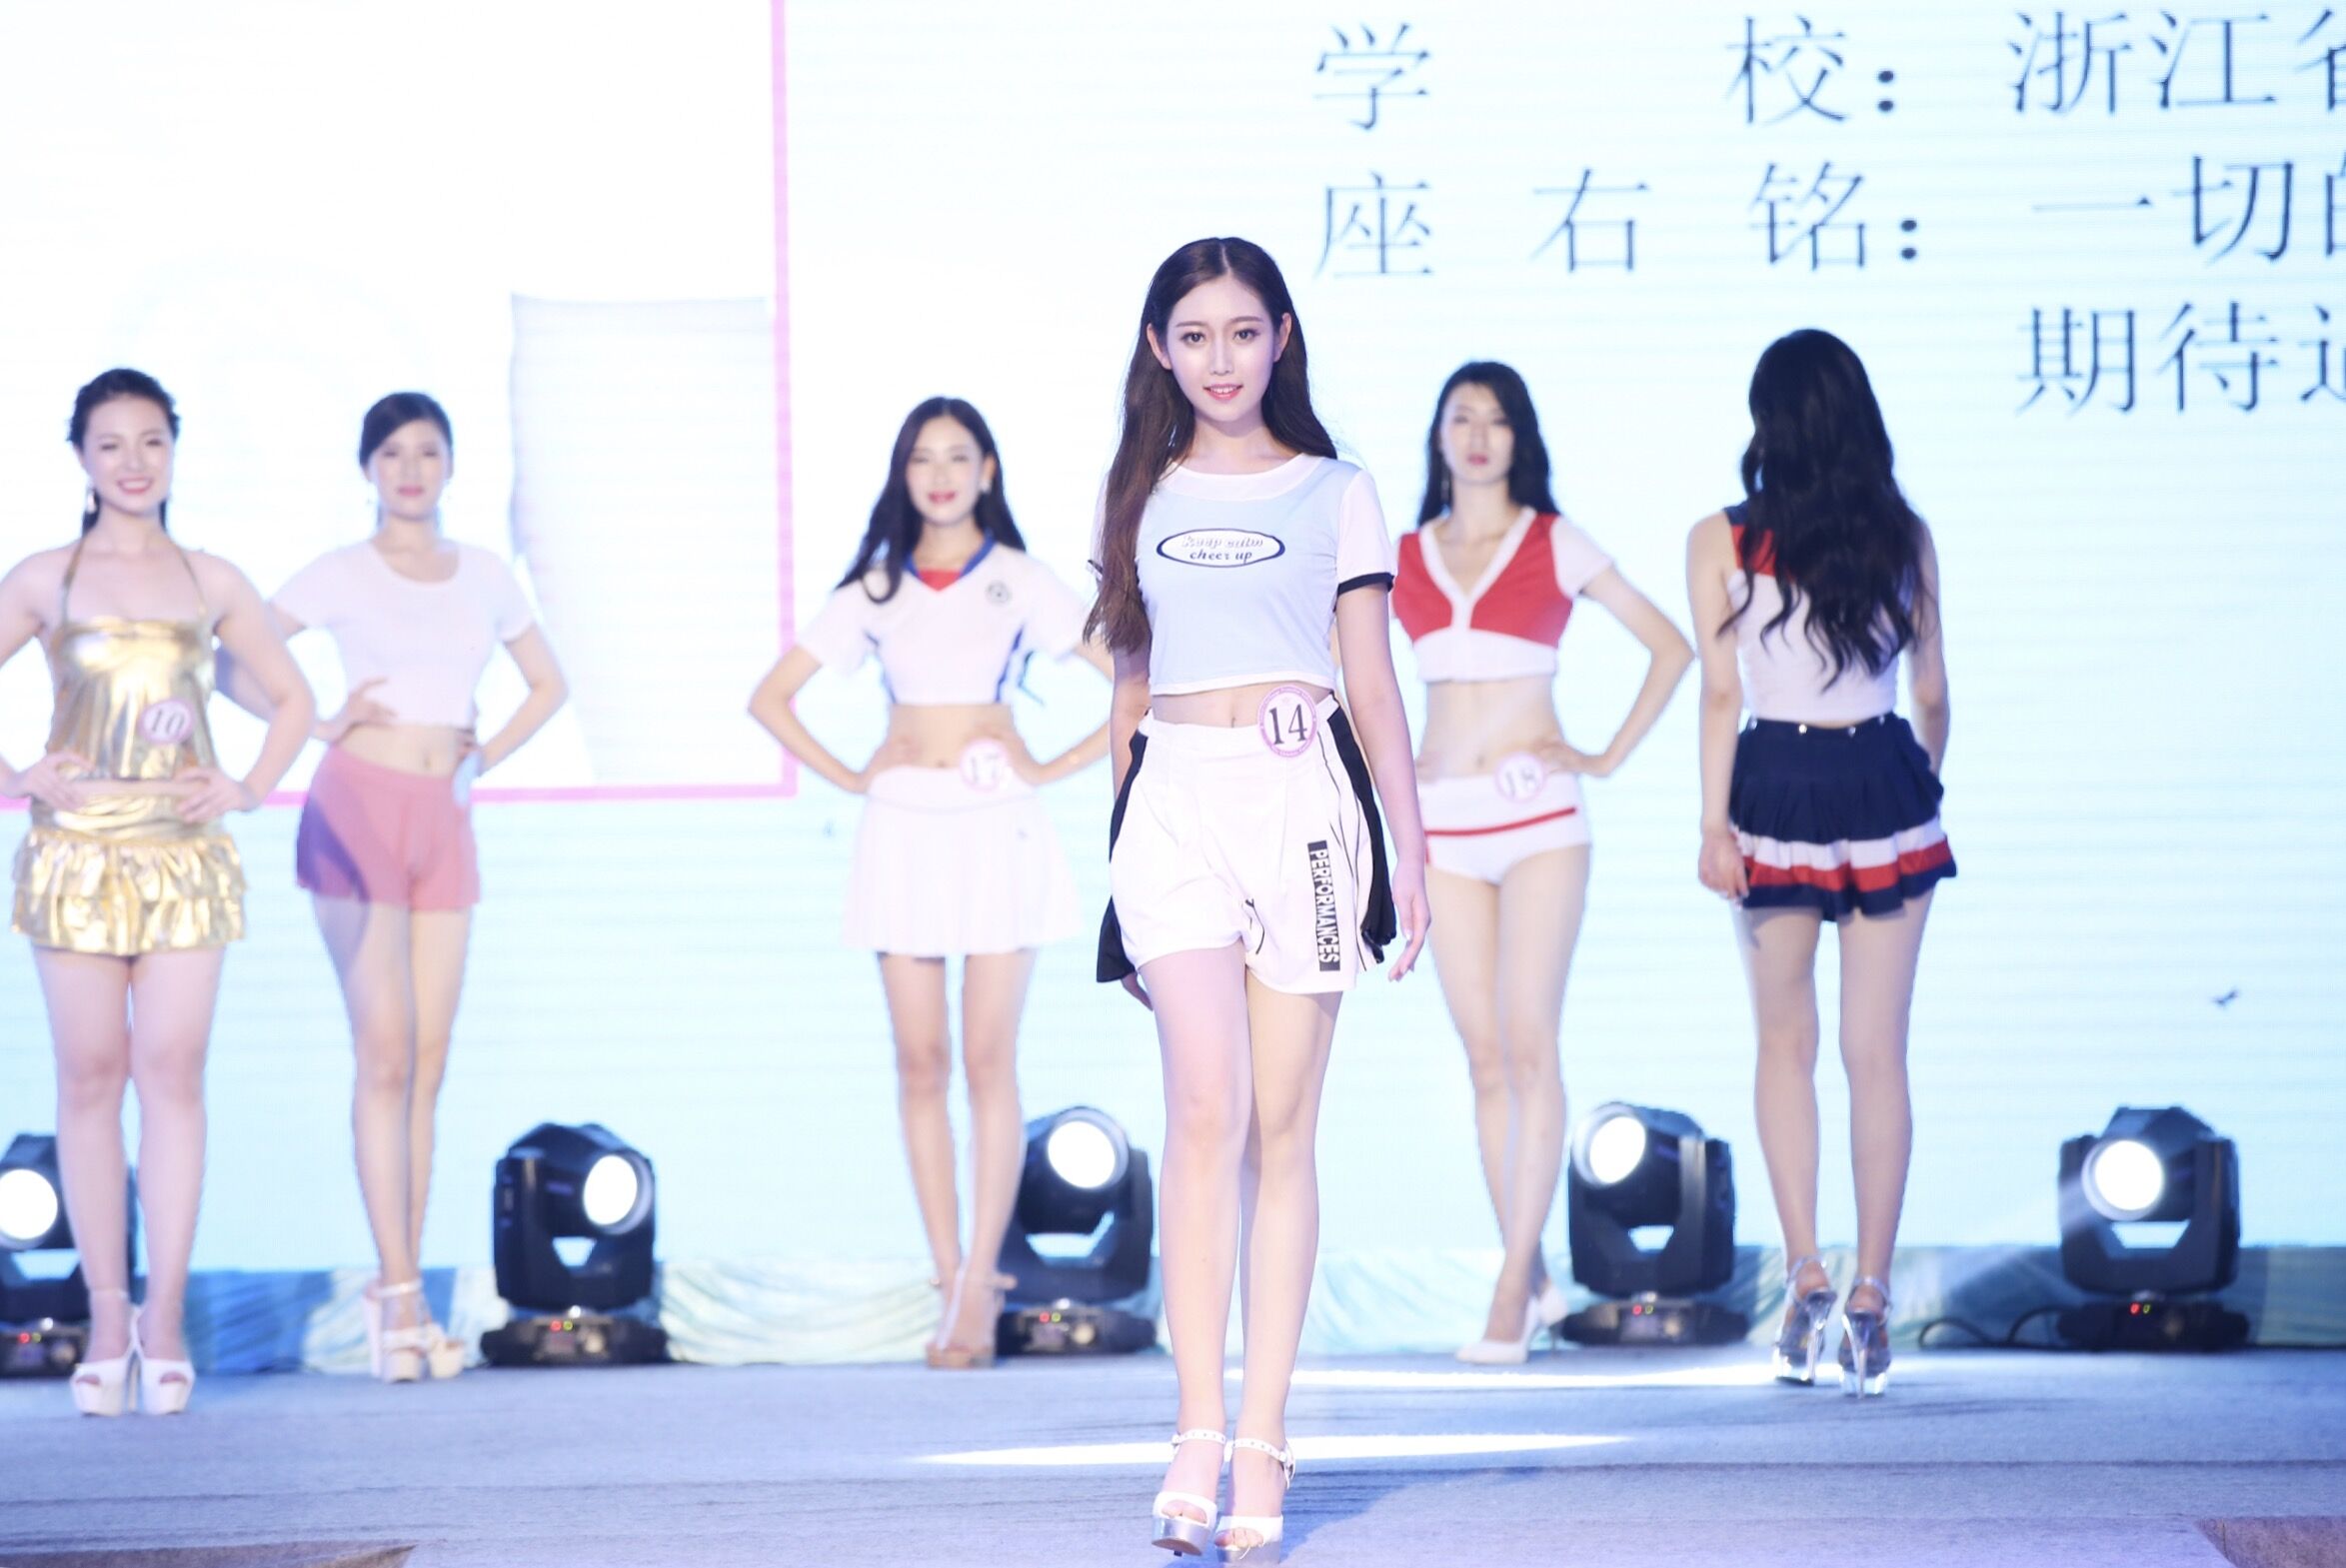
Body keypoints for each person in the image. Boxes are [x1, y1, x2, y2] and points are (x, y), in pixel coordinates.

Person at [1090, 237, 1428, 1561]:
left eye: (1241, 332)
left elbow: (1372, 680)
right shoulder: (1140, 489)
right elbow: (1127, 687)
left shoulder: (1338, 492)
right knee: (1200, 1109)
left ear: (1280, 337)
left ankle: (1262, 1434)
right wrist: (1115, 858)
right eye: (1193, 335)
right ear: (1159, 349)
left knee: (1280, 1129)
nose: (1219, 359)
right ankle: (1192, 1424)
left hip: (1304, 812)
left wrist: (1409, 849)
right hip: (1174, 801)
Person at [750, 396, 1110, 1369]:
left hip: (996, 824)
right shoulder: (874, 588)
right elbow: (770, 699)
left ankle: (979, 1285)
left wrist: (1048, 765)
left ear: (987, 470)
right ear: (902, 475)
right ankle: (946, 1274)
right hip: (903, 826)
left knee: (989, 1060)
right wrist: (854, 774)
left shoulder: (1019, 579)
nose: (941, 475)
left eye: (958, 456)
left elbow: (1136, 679)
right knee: (921, 1062)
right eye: (922, 459)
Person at [223, 392, 568, 1382]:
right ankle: (400, 1297)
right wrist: (321, 720)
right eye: (392, 453)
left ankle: (403, 1290)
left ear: (450, 464)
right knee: (382, 1053)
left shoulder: (487, 575)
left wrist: (483, 755)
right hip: (357, 811)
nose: (410, 470)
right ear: (367, 468)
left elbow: (549, 683)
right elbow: (230, 664)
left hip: (443, 817)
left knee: (427, 1057)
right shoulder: (341, 570)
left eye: (427, 452)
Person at [0, 369, 315, 1415]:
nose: (133, 462)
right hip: (75, 855)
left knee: (171, 1072)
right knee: (90, 1078)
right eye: (111, 445)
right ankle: (106, 1316)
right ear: (80, 458)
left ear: (173, 449)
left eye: (150, 442)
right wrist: (19, 776)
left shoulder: (210, 578)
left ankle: (166, 1316)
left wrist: (248, 785)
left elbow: (292, 696)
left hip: (183, 855)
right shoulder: (44, 577)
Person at [1393, 362, 1691, 1362]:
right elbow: (1344, 672)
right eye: (1461, 417)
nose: (1478, 435)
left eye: (1496, 419)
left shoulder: (1553, 540)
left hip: (1538, 820)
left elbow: (1669, 645)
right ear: (1438, 436)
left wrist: (1603, 755)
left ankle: (1510, 1284)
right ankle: (1528, 1272)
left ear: (1519, 437)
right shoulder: (1402, 555)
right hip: (1442, 823)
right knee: (1483, 1056)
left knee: (1529, 1044)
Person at [1683, 329, 1953, 1399]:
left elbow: (1719, 693)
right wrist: (1914, 782)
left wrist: (1713, 825)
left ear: (1767, 422)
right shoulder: (1902, 533)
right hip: (1882, 776)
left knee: (1783, 1042)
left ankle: (1805, 1274)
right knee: (1875, 1051)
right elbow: (1932, 692)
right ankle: (1873, 1294)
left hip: (1775, 785)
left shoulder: (1721, 537)